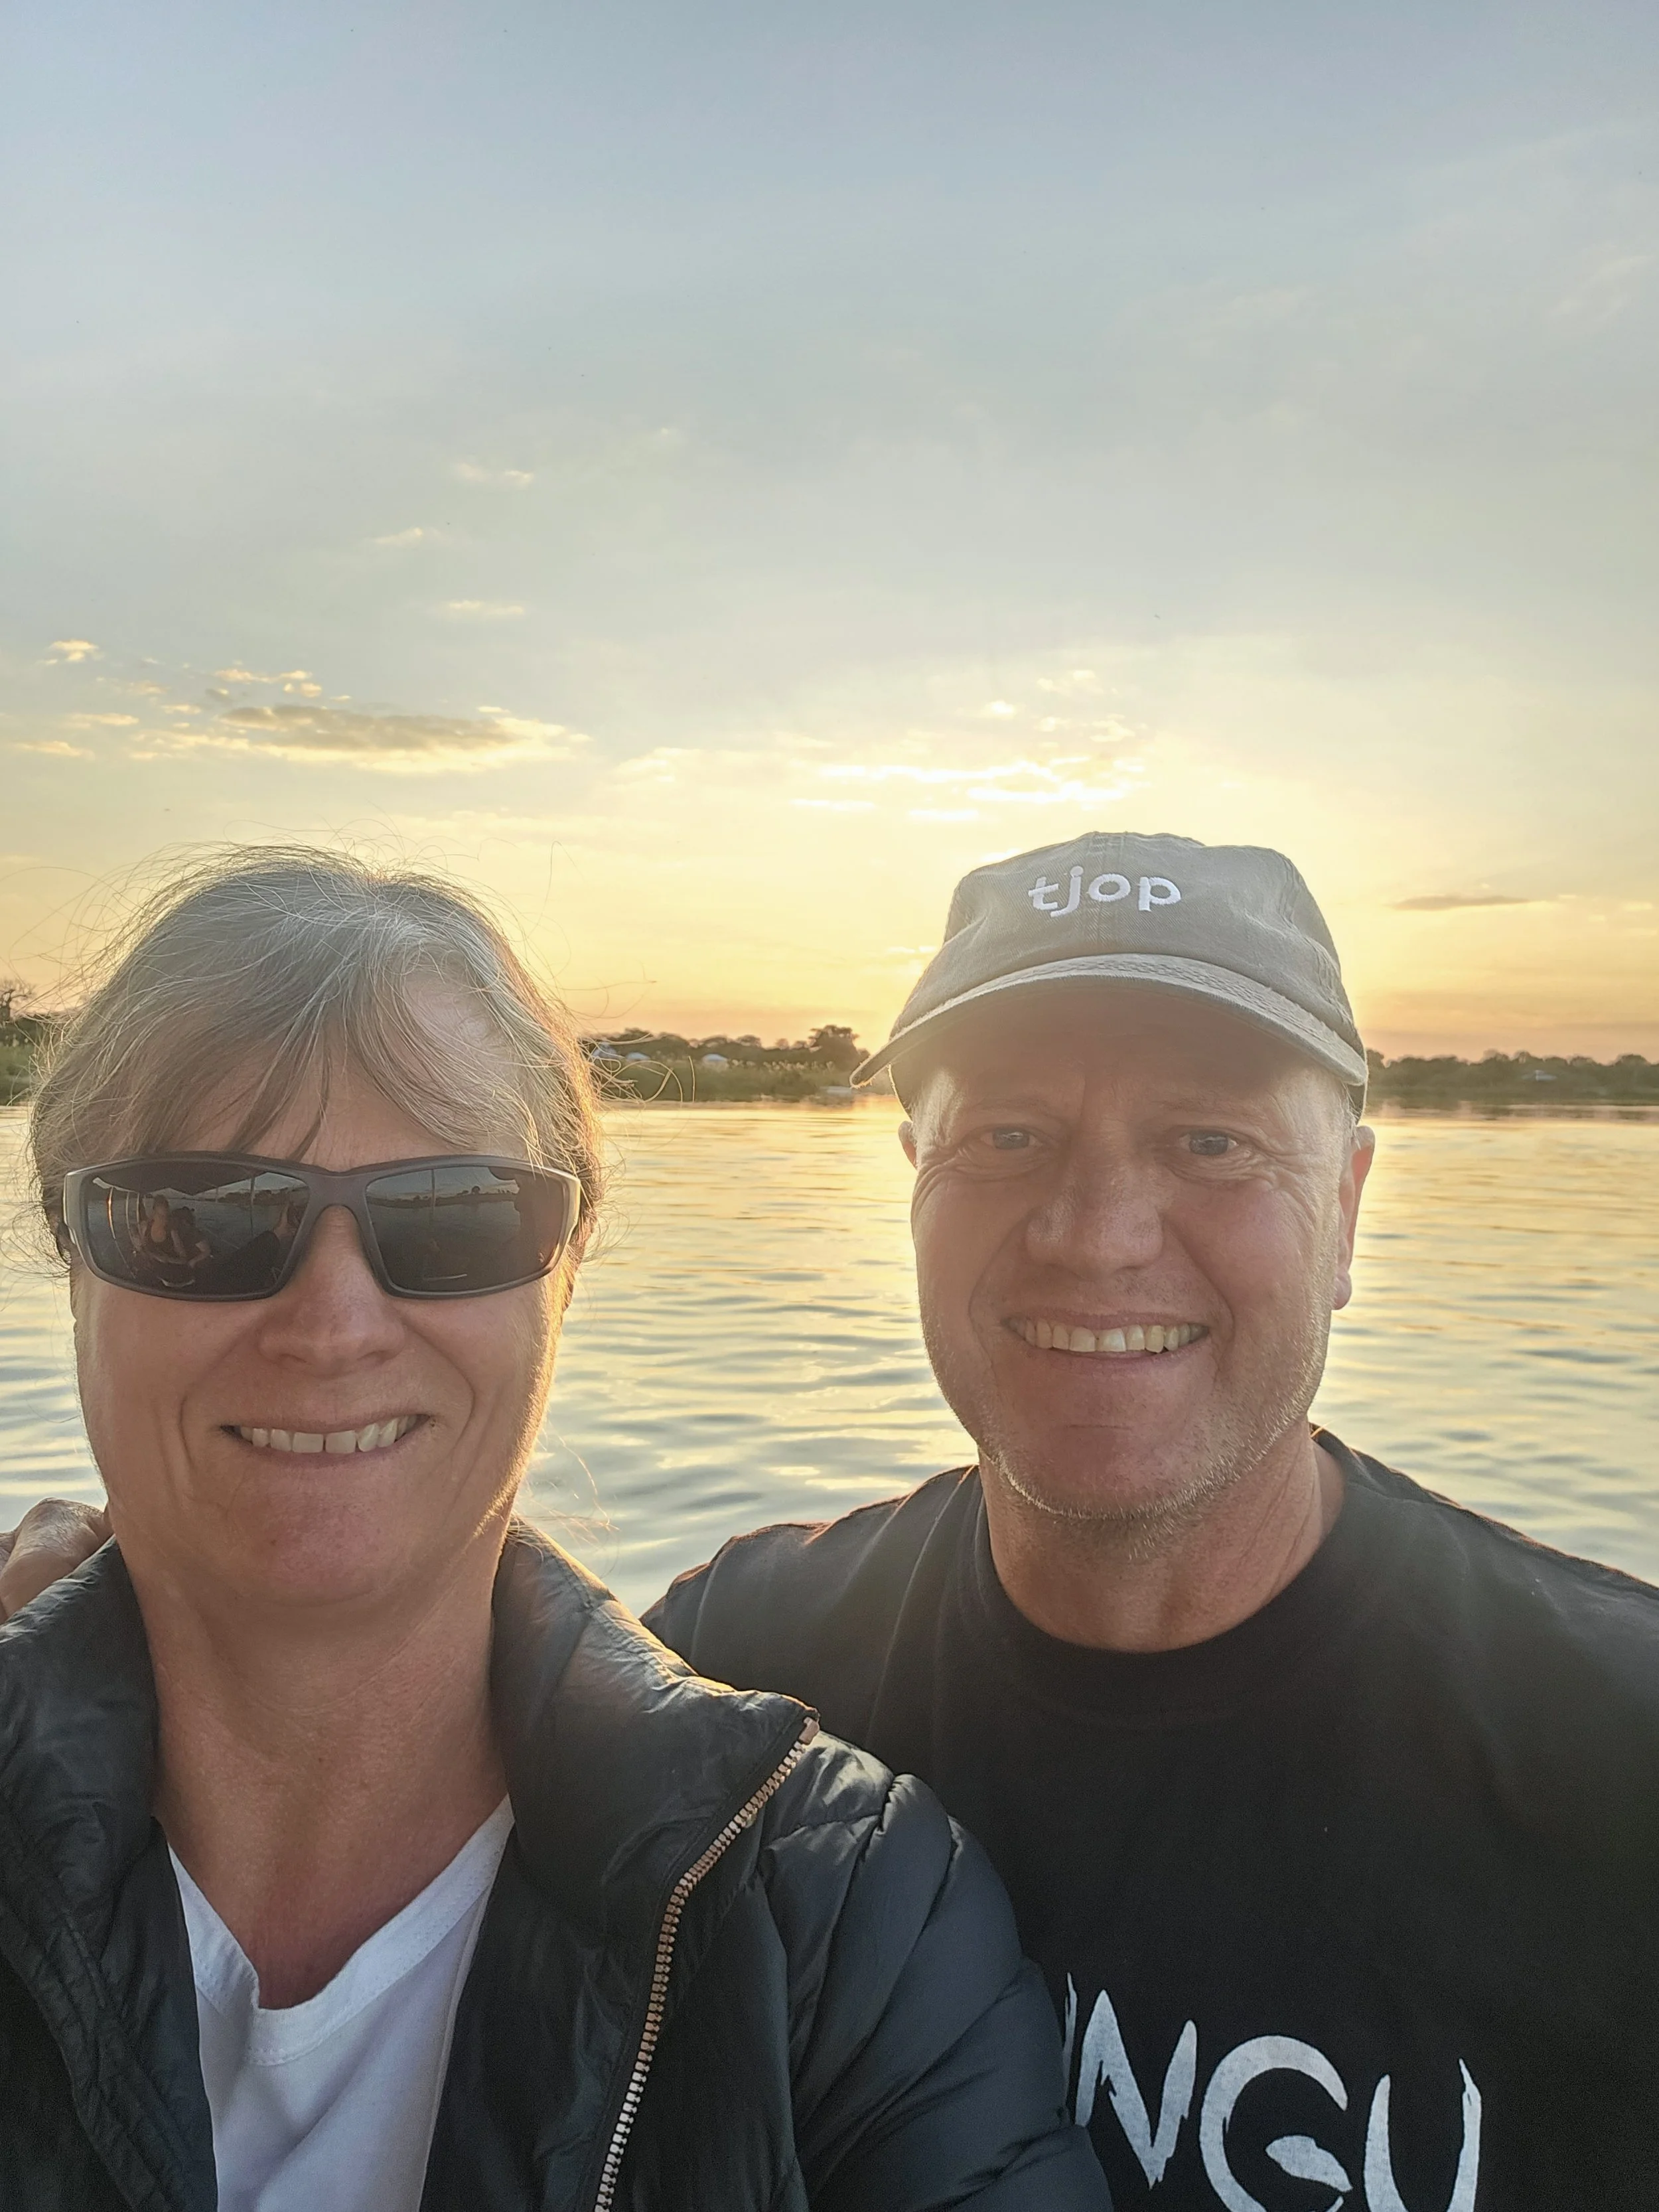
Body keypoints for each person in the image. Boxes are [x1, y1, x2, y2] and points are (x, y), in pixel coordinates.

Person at [21, 831, 1659, 2206]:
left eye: (1209, 1140)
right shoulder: (741, 1687)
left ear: (1354, 1199)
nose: (1095, 1230)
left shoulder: (1612, 1752)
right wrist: (120, 1612)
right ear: (914, 1177)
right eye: (1007, 1135)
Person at [0, 848, 1104, 2212]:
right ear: (72, 1252)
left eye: (452, 1218)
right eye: (203, 1220)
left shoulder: (834, 1919)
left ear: (564, 1270)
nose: (334, 1323)